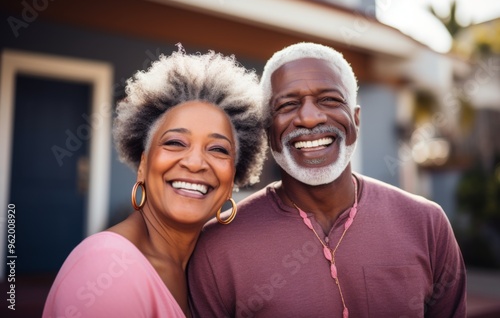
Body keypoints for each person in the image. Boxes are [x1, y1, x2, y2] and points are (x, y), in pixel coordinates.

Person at [188, 42, 467, 318]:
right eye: (288, 104)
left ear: (356, 119)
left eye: (329, 100)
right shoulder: (217, 248)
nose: (309, 118)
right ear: (267, 129)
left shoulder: (426, 223)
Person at [42, 46, 267, 318]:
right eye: (175, 142)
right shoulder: (107, 269)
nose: (195, 163)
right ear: (143, 165)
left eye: (218, 149)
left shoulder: (205, 273)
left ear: (233, 178)